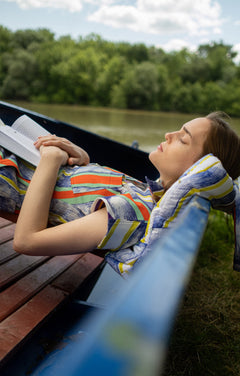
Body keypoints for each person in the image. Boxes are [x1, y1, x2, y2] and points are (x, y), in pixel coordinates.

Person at [1, 111, 240, 276]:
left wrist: (52, 160)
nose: (169, 134)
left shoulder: (133, 214)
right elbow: (80, 197)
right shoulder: (146, 191)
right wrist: (82, 160)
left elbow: (26, 240)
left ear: (195, 169)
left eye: (183, 139)